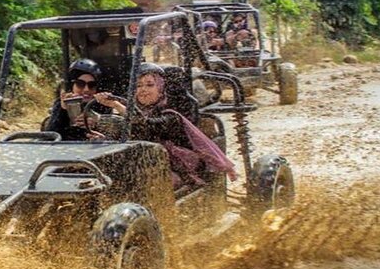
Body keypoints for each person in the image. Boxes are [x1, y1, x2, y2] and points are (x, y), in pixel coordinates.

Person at [94, 62, 237, 186]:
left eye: (150, 85)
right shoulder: (133, 112)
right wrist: (100, 134)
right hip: (144, 165)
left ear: (161, 88)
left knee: (148, 180)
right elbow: (125, 137)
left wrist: (118, 106)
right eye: (138, 86)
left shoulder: (172, 116)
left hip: (178, 168)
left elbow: (148, 126)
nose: (143, 89)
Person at [44, 58, 106, 141]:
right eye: (80, 84)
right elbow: (50, 137)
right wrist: (63, 110)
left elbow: (116, 133)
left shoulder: (102, 105)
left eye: (92, 85)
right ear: (71, 86)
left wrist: (97, 125)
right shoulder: (61, 105)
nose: (86, 89)